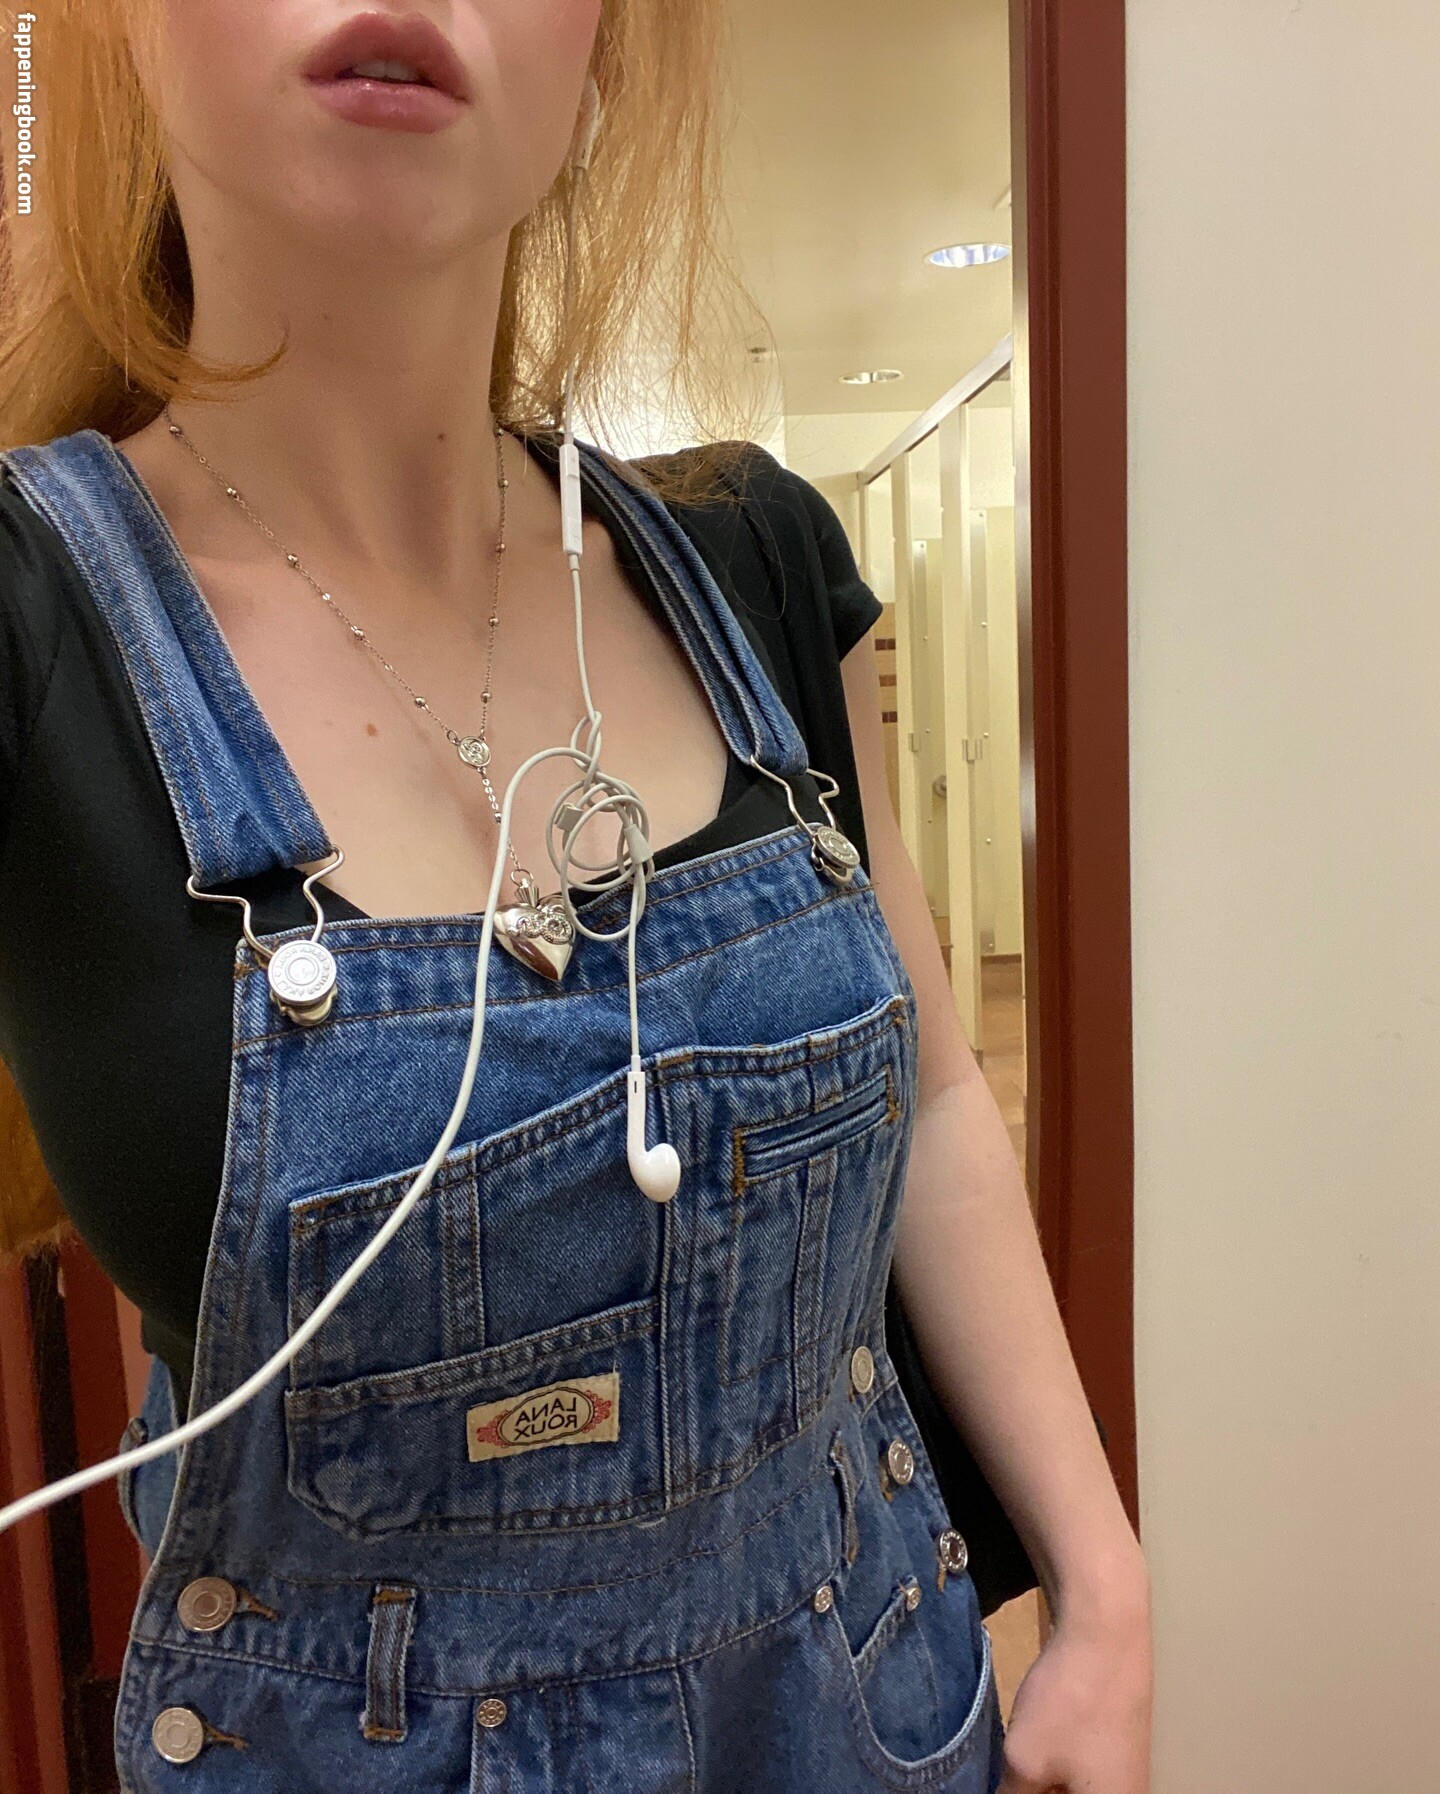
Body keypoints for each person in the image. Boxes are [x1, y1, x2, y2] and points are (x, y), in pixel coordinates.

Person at [0, 2, 1151, 1789]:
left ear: (602, 51)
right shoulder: (31, 623)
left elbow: (936, 1096)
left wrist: (1105, 1586)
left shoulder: (755, 564)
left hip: (885, 1716)